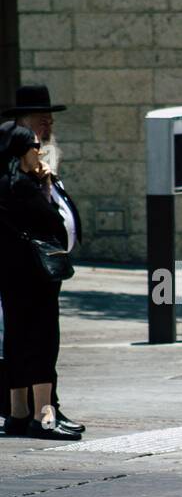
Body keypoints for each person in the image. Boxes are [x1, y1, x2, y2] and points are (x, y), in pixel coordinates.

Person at [1, 84, 83, 434]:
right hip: (32, 272)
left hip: (30, 272)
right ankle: (42, 414)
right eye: (40, 124)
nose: (46, 131)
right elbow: (49, 221)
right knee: (39, 340)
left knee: (22, 339)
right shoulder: (23, 183)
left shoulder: (26, 177)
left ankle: (24, 412)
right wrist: (44, 185)